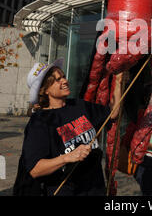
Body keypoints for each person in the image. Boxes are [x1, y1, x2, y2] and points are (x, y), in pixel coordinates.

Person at [13, 58, 123, 196]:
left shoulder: (78, 105)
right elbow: (35, 169)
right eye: (57, 80)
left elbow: (112, 113)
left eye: (63, 77)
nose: (64, 81)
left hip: (96, 189)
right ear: (44, 90)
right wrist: (68, 157)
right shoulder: (40, 121)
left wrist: (118, 80)